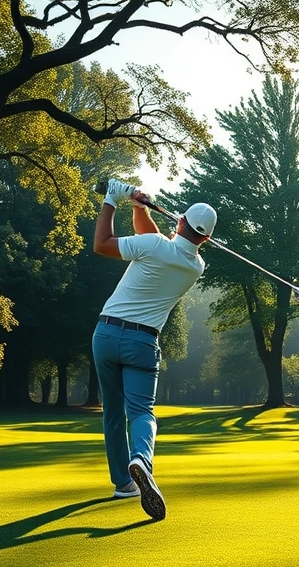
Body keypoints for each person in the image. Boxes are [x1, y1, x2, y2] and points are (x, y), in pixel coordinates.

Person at [91, 178, 216, 521]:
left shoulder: (153, 246)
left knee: (113, 413)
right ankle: (141, 460)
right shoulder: (195, 267)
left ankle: (122, 483)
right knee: (142, 412)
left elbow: (102, 244)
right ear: (205, 238)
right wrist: (138, 206)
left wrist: (112, 200)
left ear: (180, 222)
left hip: (105, 333)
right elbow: (155, 240)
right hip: (143, 343)